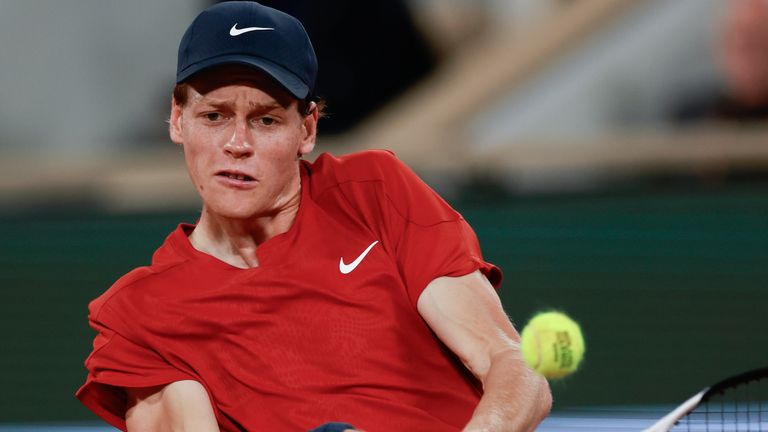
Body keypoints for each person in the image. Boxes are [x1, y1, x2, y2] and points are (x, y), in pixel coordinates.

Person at [76, 2, 551, 431]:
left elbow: (514, 367)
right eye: (214, 116)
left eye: (266, 120)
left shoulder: (374, 192)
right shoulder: (140, 315)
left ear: (306, 129)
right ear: (178, 120)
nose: (237, 144)